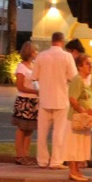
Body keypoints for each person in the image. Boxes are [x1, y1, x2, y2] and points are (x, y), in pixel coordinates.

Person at [33, 32, 78, 169]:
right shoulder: (67, 56)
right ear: (62, 42)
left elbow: (34, 77)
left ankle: (42, 160)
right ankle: (56, 161)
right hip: (61, 98)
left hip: (45, 98)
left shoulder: (41, 56)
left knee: (42, 133)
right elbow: (74, 78)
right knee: (59, 133)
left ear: (52, 41)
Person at [66, 55, 92, 182]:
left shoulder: (85, 81)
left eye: (91, 63)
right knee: (74, 145)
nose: (90, 66)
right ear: (79, 66)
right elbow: (72, 99)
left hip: (85, 120)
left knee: (81, 145)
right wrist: (83, 111)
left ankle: (77, 170)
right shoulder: (77, 80)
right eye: (87, 64)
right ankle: (73, 170)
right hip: (77, 118)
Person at [12, 41, 39, 166]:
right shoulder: (21, 67)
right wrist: (35, 91)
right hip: (24, 100)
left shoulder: (34, 65)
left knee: (30, 130)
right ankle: (19, 155)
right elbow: (20, 86)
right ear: (29, 52)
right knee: (22, 128)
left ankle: (26, 155)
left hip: (34, 101)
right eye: (35, 51)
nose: (36, 53)